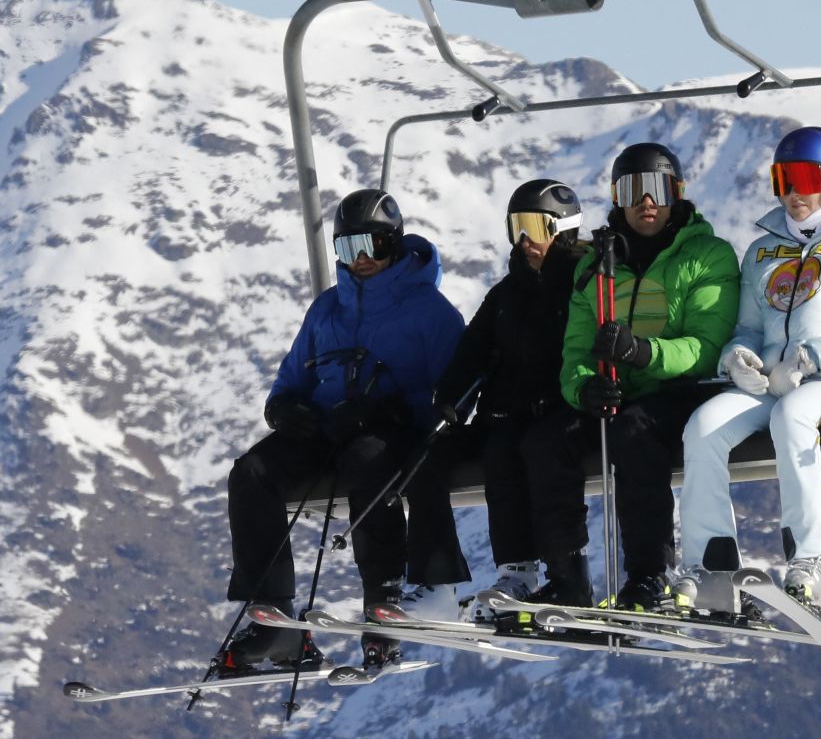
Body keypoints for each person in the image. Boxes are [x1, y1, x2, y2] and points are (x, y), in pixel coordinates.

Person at [218, 189, 466, 672]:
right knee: (251, 473)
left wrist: (390, 411)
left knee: (368, 461)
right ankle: (274, 621)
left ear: (394, 243)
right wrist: (284, 410)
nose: (362, 260)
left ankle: (384, 607)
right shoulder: (327, 308)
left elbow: (455, 396)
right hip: (326, 428)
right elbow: (291, 378)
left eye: (372, 246)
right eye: (349, 249)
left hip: (389, 435)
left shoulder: (431, 312)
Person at [674, 126, 821, 616]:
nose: (791, 192)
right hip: (775, 380)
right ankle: (709, 565)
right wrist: (737, 358)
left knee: (795, 417)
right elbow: (745, 328)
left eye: (802, 178)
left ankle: (809, 556)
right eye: (781, 179)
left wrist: (816, 358)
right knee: (703, 427)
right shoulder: (762, 251)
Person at [519, 143, 740, 612]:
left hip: (680, 393)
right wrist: (584, 386)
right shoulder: (597, 267)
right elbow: (576, 351)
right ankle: (567, 578)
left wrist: (641, 353)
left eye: (657, 190)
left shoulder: (707, 256)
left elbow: (705, 349)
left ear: (676, 193)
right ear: (617, 197)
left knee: (634, 431)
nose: (646, 202)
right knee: (546, 441)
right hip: (618, 394)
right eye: (632, 190)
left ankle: (648, 575)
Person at [428, 179, 588, 621]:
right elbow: (473, 348)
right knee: (496, 449)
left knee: (540, 449)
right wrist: (450, 399)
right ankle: (516, 571)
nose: (524, 240)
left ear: (564, 229)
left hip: (568, 408)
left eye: (535, 227)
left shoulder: (587, 281)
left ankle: (568, 574)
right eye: (516, 227)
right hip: (511, 411)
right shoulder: (507, 292)